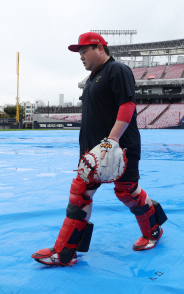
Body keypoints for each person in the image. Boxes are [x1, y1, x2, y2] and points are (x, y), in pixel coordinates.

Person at [32, 32, 167, 267]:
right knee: (80, 194)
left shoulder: (117, 70)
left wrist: (112, 141)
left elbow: (127, 104)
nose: (80, 56)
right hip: (93, 152)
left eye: (84, 51)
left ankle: (152, 231)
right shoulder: (92, 79)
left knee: (127, 192)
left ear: (100, 48)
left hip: (119, 148)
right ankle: (65, 252)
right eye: (79, 53)